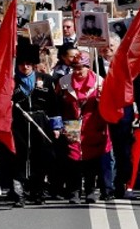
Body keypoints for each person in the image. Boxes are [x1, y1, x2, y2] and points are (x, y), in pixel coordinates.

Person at [10, 39, 61, 207]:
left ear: (34, 64)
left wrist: (56, 126)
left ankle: (38, 192)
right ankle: (19, 194)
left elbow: (54, 105)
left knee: (41, 157)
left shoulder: (46, 80)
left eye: (29, 64)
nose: (25, 67)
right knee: (20, 157)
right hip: (19, 122)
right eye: (22, 64)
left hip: (40, 121)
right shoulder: (10, 82)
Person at [58, 48, 110, 204]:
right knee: (73, 157)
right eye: (75, 68)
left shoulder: (99, 81)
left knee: (91, 158)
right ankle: (74, 191)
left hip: (92, 124)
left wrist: (102, 97)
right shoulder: (64, 81)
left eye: (81, 68)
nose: (78, 71)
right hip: (72, 124)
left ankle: (90, 190)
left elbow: (108, 105)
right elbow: (58, 104)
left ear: (88, 67)